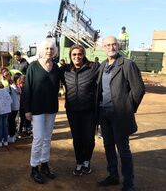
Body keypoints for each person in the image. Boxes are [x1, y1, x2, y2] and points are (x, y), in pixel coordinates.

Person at [96, 36, 145, 191]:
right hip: (104, 114)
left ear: (118, 46)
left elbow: (138, 89)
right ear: (103, 47)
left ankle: (128, 184)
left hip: (120, 115)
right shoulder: (102, 65)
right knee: (108, 146)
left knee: (123, 150)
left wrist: (127, 107)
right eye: (108, 45)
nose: (111, 47)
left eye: (114, 44)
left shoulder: (127, 64)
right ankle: (113, 176)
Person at [25, 38, 61, 184]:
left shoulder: (56, 67)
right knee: (38, 138)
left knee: (47, 138)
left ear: (55, 51)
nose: (49, 51)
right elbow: (27, 89)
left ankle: (44, 164)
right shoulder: (33, 67)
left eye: (52, 49)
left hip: (51, 108)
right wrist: (27, 110)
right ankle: (34, 167)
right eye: (46, 48)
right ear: (42, 50)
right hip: (37, 109)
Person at [61, 44, 100, 176]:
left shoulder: (93, 68)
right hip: (72, 111)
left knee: (89, 139)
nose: (77, 57)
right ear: (70, 56)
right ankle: (79, 162)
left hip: (89, 111)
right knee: (77, 138)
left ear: (83, 55)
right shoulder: (65, 70)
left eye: (79, 54)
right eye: (74, 54)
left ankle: (86, 162)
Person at [0, 80, 12, 147]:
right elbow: (10, 101)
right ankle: (5, 141)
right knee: (5, 126)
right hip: (6, 111)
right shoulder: (5, 91)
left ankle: (0, 141)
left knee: (0, 127)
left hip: (0, 112)